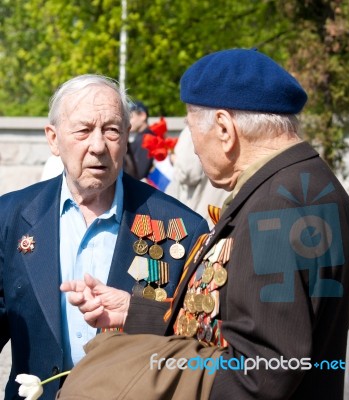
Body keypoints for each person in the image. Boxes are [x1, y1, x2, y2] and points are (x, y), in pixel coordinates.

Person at [58, 49, 349, 399]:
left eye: (190, 131)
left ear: (224, 128)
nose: (194, 150)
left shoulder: (277, 209)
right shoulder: (303, 185)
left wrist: (143, 375)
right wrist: (135, 312)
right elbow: (237, 322)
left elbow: (261, 375)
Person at [0, 74, 209, 400]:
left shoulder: (180, 227)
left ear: (127, 136)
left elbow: (199, 345)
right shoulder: (10, 217)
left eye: (111, 130)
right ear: (53, 139)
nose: (98, 146)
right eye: (83, 131)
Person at [166, 126, 229, 228]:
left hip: (200, 213)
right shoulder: (227, 122)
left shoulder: (195, 126)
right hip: (220, 209)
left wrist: (173, 160)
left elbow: (187, 173)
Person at [123, 100, 155, 180]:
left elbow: (139, 174)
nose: (127, 121)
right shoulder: (144, 137)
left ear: (142, 116)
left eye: (130, 116)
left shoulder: (148, 139)